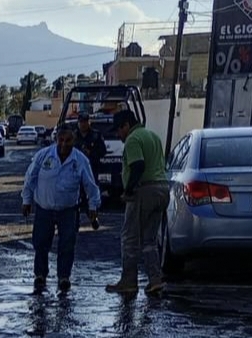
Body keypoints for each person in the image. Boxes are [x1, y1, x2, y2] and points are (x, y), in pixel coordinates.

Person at [22, 126, 101, 293]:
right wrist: (26, 200)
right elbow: (30, 178)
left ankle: (64, 277)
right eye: (61, 140)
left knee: (67, 244)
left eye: (68, 140)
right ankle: (40, 275)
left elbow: (90, 185)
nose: (64, 144)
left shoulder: (80, 160)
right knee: (40, 243)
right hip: (44, 208)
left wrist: (93, 205)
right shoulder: (43, 155)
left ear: (74, 140)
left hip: (68, 210)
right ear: (56, 139)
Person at [105, 109, 169, 296]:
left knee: (130, 238)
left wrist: (128, 190)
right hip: (162, 189)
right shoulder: (152, 136)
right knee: (149, 240)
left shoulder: (133, 139)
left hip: (144, 190)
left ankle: (129, 281)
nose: (118, 135)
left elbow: (138, 165)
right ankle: (155, 280)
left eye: (119, 130)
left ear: (126, 125)